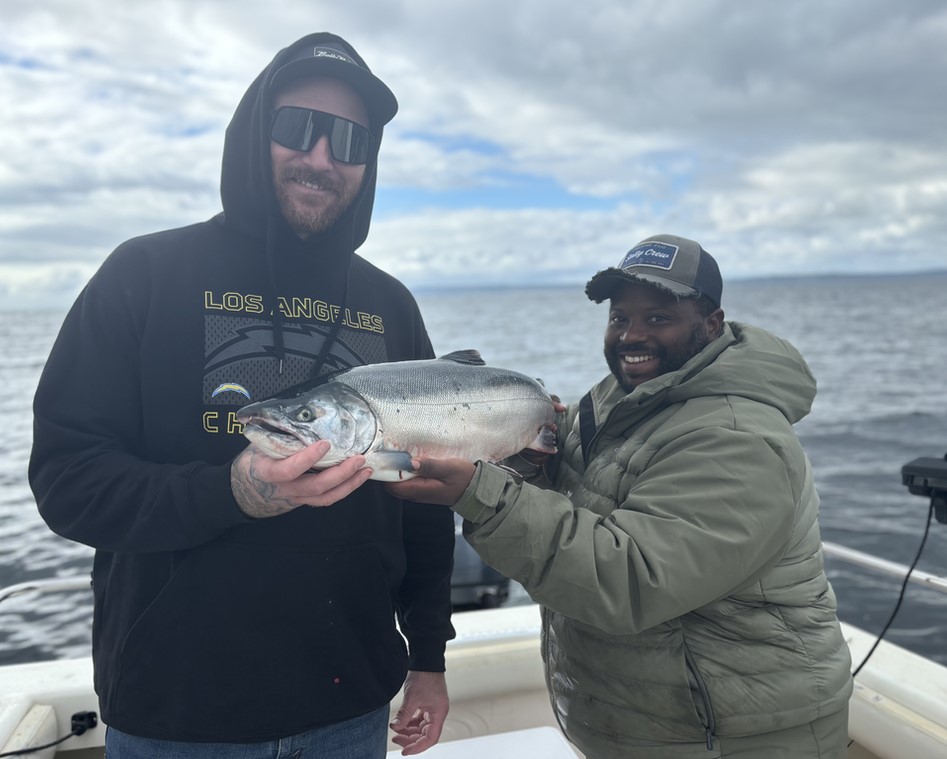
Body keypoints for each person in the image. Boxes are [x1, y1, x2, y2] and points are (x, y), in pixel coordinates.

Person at [29, 33, 454, 758]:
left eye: (349, 140)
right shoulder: (145, 273)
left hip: (351, 704)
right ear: (253, 132)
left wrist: (429, 656)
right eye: (298, 127)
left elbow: (419, 498)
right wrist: (236, 490)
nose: (321, 156)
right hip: (179, 711)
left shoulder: (390, 304)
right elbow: (68, 481)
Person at [388, 234, 854, 758]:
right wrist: (526, 464)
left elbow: (630, 579)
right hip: (653, 724)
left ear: (712, 324)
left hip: (731, 737)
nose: (632, 335)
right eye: (619, 317)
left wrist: (482, 494)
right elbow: (580, 512)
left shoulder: (737, 436)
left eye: (659, 318)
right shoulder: (618, 402)